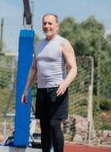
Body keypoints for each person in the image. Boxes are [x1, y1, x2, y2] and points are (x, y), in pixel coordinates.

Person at [21, 13, 77, 152]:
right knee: (44, 126)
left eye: (50, 23)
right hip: (42, 90)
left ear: (57, 26)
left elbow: (73, 68)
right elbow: (34, 68)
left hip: (57, 89)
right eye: (44, 23)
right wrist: (26, 89)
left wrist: (65, 83)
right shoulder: (39, 44)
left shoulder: (63, 43)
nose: (47, 26)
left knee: (54, 125)